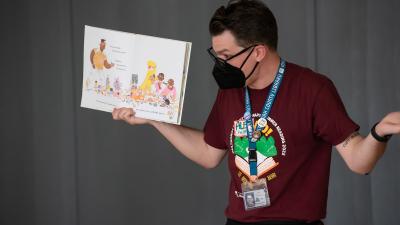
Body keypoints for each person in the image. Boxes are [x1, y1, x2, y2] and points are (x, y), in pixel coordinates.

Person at [112, 1, 400, 224]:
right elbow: (208, 153)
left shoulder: (313, 89)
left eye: (226, 56)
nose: (220, 65)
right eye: (216, 55)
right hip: (237, 221)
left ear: (258, 52)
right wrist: (154, 118)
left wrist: (379, 132)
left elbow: (359, 161)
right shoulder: (230, 91)